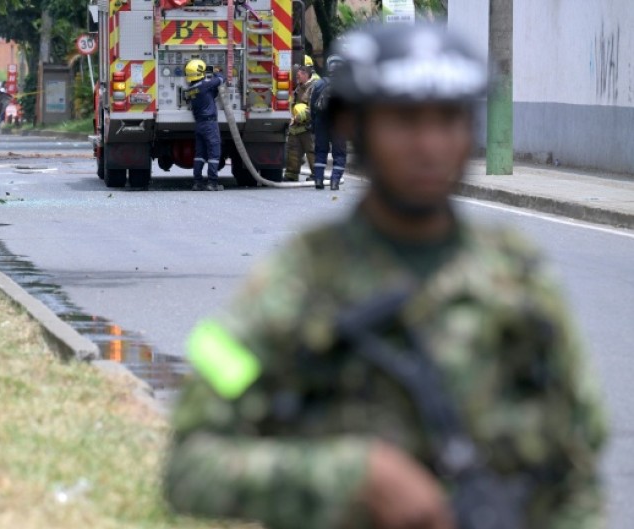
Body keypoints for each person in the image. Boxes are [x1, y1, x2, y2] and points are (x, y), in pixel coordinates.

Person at [164, 23, 607, 529]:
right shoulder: (296, 282)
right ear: (356, 127)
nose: (428, 144)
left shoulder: (520, 280)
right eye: (403, 120)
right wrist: (349, 478)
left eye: (448, 120)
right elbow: (190, 466)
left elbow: (577, 473)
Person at [184, 59, 225, 191]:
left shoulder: (190, 90)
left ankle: (197, 182)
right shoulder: (205, 85)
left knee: (200, 154)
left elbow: (210, 95)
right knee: (214, 153)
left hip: (199, 125)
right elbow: (220, 79)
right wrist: (216, 71)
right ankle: (212, 183)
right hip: (209, 124)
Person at [311, 54, 348, 190]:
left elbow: (313, 106)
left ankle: (319, 180)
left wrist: (313, 124)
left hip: (321, 122)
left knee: (320, 151)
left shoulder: (320, 83)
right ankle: (334, 182)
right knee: (339, 154)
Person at [283, 65, 318, 182]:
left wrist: (300, 117)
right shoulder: (299, 87)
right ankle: (291, 174)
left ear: (306, 75)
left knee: (312, 151)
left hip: (308, 126)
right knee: (293, 150)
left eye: (299, 76)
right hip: (296, 125)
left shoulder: (313, 87)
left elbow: (312, 106)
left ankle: (316, 174)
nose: (297, 78)